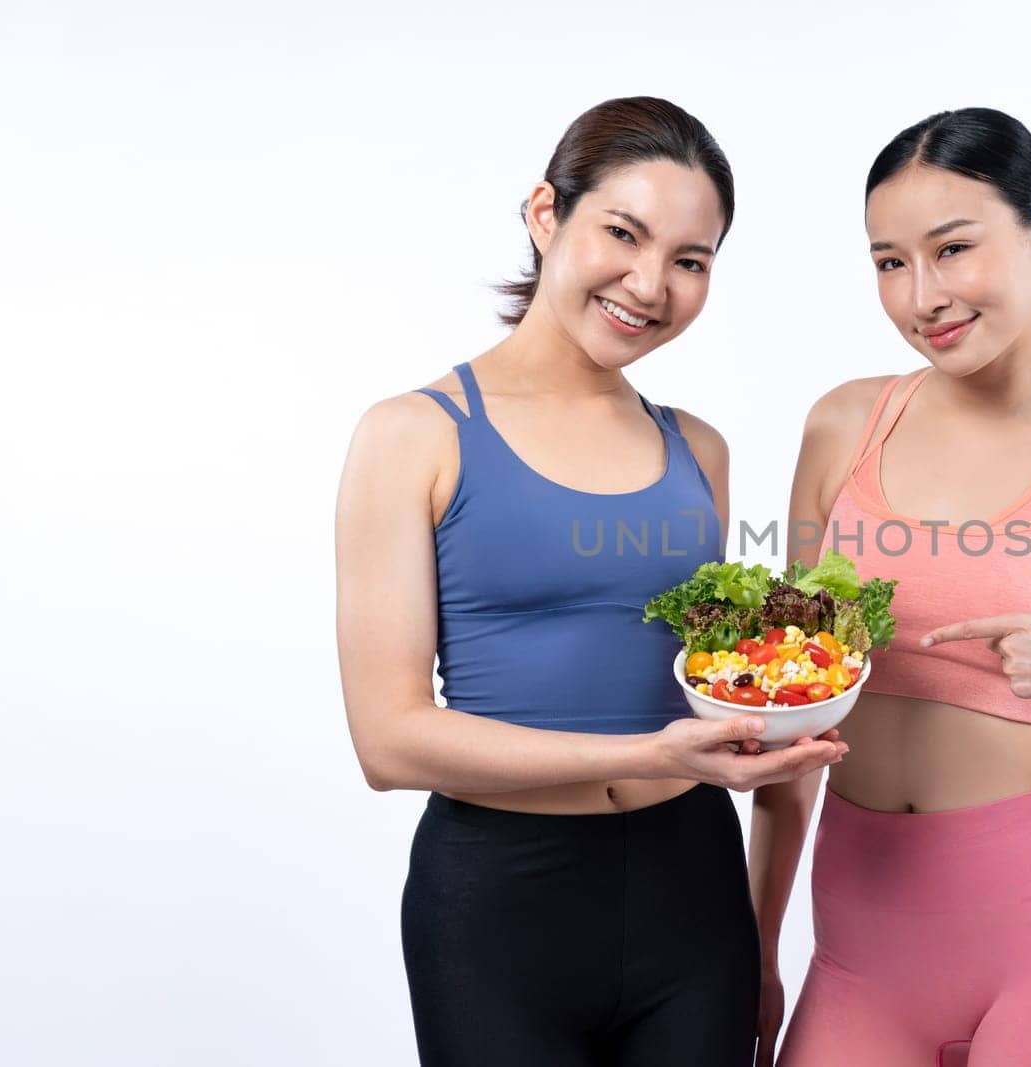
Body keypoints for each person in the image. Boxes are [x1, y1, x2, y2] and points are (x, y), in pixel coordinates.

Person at [334, 96, 847, 1067]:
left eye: (690, 260)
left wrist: (793, 699)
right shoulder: (413, 435)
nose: (650, 283)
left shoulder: (700, 449)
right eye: (623, 232)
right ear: (544, 214)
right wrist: (656, 752)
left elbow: (721, 678)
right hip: (496, 905)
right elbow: (387, 740)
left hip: (693, 892)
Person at [749, 107, 1031, 1066]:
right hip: (858, 952)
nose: (923, 297)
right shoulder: (843, 426)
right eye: (889, 262)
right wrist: (755, 935)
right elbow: (790, 714)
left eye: (953, 249)